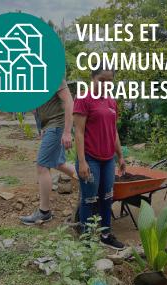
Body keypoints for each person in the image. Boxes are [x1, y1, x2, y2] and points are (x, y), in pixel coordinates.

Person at [73, 65, 126, 250]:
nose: (105, 85)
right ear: (93, 78)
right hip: (90, 158)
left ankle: (105, 234)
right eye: (101, 80)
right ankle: (86, 237)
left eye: (109, 81)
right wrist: (82, 161)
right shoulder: (83, 98)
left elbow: (114, 131)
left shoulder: (111, 102)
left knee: (107, 197)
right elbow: (78, 132)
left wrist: (120, 156)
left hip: (108, 159)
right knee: (89, 198)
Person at [20, 80, 76, 225]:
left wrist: (67, 132)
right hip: (50, 126)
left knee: (42, 165)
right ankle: (91, 181)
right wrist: (41, 127)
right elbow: (37, 108)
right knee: (59, 163)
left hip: (57, 126)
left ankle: (44, 212)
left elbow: (69, 101)